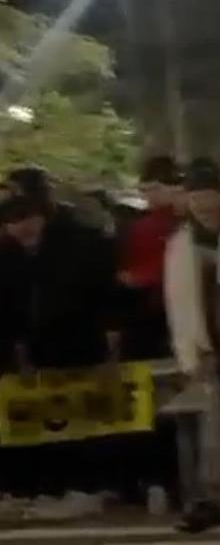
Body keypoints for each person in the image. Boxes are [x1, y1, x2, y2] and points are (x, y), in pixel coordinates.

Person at [0, 189, 122, 499]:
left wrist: (109, 337)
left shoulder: (77, 248)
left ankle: (89, 485)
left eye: (28, 219)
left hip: (78, 343)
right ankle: (49, 486)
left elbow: (102, 295)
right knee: (46, 421)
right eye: (13, 222)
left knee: (82, 418)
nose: (23, 227)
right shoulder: (12, 258)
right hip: (35, 350)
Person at [165, 161, 220, 532]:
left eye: (207, 195)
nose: (201, 204)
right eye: (194, 197)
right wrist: (188, 349)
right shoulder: (181, 243)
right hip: (209, 344)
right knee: (217, 422)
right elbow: (178, 300)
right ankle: (218, 496)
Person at [118, 157, 186, 361]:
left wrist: (142, 276)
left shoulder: (186, 225)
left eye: (155, 188)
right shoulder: (137, 225)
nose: (149, 195)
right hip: (146, 308)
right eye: (145, 189)